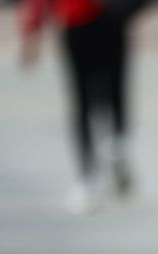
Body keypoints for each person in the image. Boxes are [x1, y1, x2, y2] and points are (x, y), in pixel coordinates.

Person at [18, 0, 140, 214]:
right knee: (114, 89)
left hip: (79, 21)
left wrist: (32, 30)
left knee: (83, 103)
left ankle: (89, 178)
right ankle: (115, 146)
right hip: (108, 19)